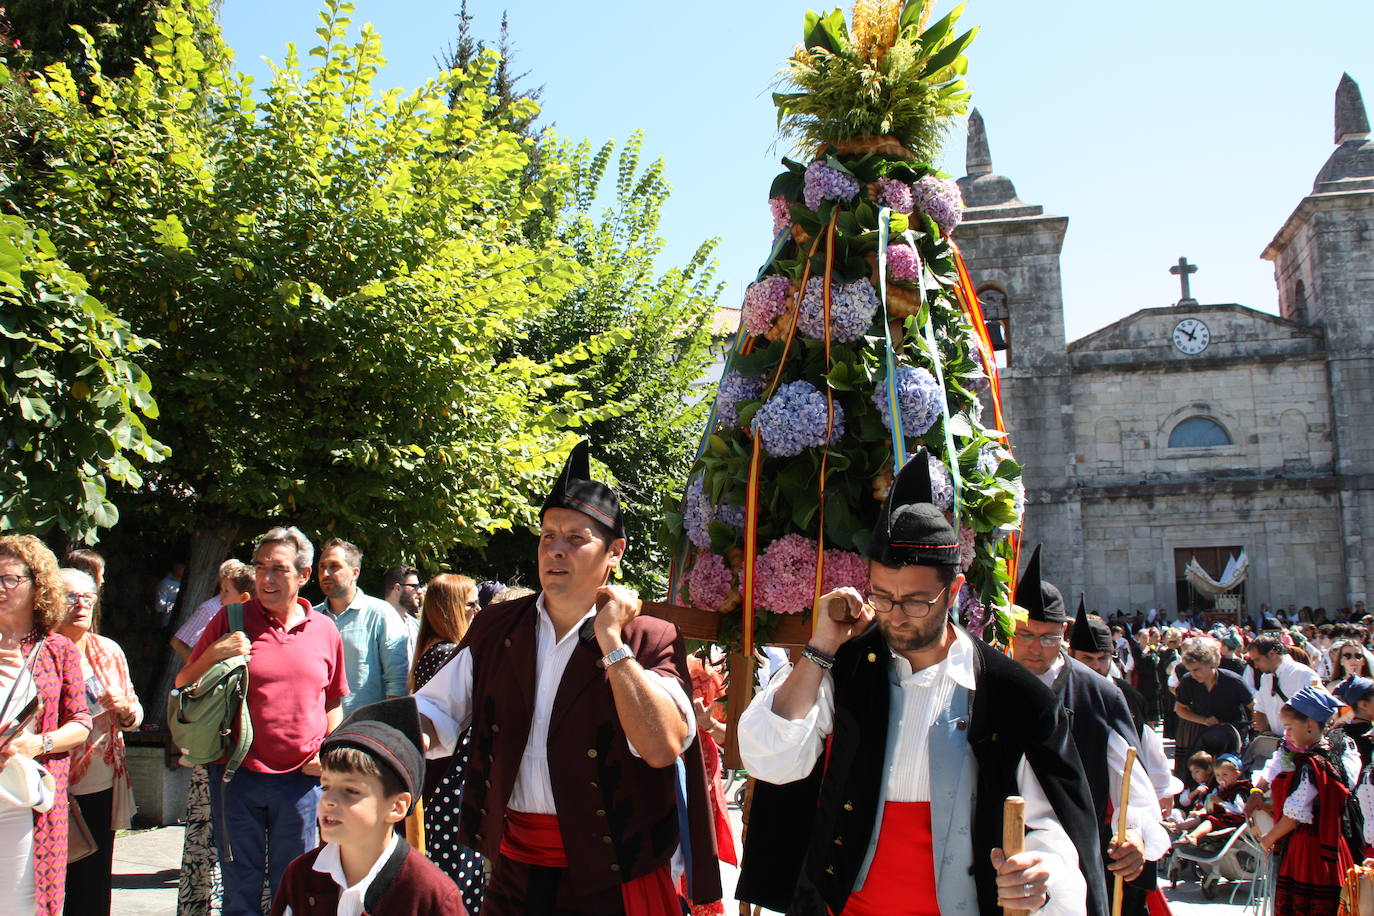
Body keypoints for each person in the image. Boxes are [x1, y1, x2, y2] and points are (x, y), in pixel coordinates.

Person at [735, 455, 1107, 916]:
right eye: (882, 596)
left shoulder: (1011, 694)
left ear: (953, 592)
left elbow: (1050, 822)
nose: (894, 615)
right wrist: (821, 645)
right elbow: (770, 759)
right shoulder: (847, 668)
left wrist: (1040, 870)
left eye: (915, 601)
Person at [414, 441, 721, 914]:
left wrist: (612, 642)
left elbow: (662, 746)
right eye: (547, 536)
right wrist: (390, 736)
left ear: (614, 551)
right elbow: (435, 709)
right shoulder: (499, 626)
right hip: (513, 870)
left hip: (612, 876)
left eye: (576, 539)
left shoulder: (650, 636)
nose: (556, 550)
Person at [177, 526, 349, 916]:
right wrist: (215, 652)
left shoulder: (325, 630)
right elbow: (183, 683)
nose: (266, 578)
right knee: (241, 889)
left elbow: (334, 701)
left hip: (302, 781)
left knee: (299, 887)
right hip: (236, 775)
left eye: (278, 569)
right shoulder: (230, 618)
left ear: (303, 576)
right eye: (260, 567)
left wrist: (329, 751)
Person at [1009, 547, 1167, 916]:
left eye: (1047, 637)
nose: (1034, 648)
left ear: (1063, 633)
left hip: (1078, 847)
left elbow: (1130, 780)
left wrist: (1135, 836)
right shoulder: (987, 681)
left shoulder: (1099, 694)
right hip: (1000, 851)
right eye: (1025, 634)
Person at [270, 698, 466, 915]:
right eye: (325, 787)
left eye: (351, 791)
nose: (329, 800)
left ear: (397, 807)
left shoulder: (431, 894)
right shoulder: (301, 875)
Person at [0, 535, 94, 916]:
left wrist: (36, 744)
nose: (0, 589)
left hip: (29, 800)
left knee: (25, 906)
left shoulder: (58, 649)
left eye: (10, 579)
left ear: (37, 583)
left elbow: (81, 723)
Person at [57, 568, 142, 916]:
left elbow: (134, 711)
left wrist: (125, 710)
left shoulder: (108, 651)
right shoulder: (37, 651)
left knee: (91, 885)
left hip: (100, 781)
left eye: (87, 597)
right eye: (70, 597)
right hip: (51, 781)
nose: (80, 605)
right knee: (45, 882)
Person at [409, 574, 484, 914]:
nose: (478, 610)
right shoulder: (447, 653)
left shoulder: (433, 649)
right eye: (470, 604)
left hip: (444, 779)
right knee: (456, 871)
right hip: (452, 781)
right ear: (450, 609)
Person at [1068, 609, 1178, 816]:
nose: (1096, 666)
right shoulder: (1060, 694)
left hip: (1121, 800)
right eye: (1087, 658)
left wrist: (1161, 789)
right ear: (1071, 655)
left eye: (1102, 658)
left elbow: (1145, 743)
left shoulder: (1129, 696)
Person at [1259, 688, 1356, 916]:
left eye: (1290, 728)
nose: (1287, 734)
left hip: (1308, 848)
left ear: (1310, 725)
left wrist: (1269, 837)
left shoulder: (1310, 764)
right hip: (1330, 842)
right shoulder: (1332, 754)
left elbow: (1295, 814)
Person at [314, 539, 410, 715]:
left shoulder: (380, 614)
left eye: (334, 566)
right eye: (321, 566)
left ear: (355, 572)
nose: (325, 573)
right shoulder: (312, 618)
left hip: (365, 730)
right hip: (320, 731)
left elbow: (398, 680)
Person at [683, 653, 735, 916]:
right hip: (650, 784)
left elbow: (732, 741)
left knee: (699, 877)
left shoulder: (704, 674)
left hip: (699, 785)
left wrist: (708, 723)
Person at [171, 559, 254, 662]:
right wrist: (199, 672)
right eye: (223, 590)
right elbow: (177, 642)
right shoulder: (210, 609)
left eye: (226, 591)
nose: (221, 598)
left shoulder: (246, 619)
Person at [1248, 634, 1321, 737]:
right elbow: (1260, 709)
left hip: (1304, 744)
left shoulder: (1303, 674)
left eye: (1257, 659)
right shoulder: (1266, 678)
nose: (1255, 665)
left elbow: (1320, 710)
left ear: (1272, 654)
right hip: (1278, 745)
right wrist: (1265, 732)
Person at [381, 565, 422, 659]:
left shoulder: (416, 626)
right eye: (414, 586)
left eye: (419, 586)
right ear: (397, 588)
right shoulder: (376, 624)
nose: (419, 591)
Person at [153, 561, 185, 626]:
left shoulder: (186, 583)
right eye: (182, 566)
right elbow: (159, 608)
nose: (184, 569)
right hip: (168, 624)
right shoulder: (166, 583)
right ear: (175, 566)